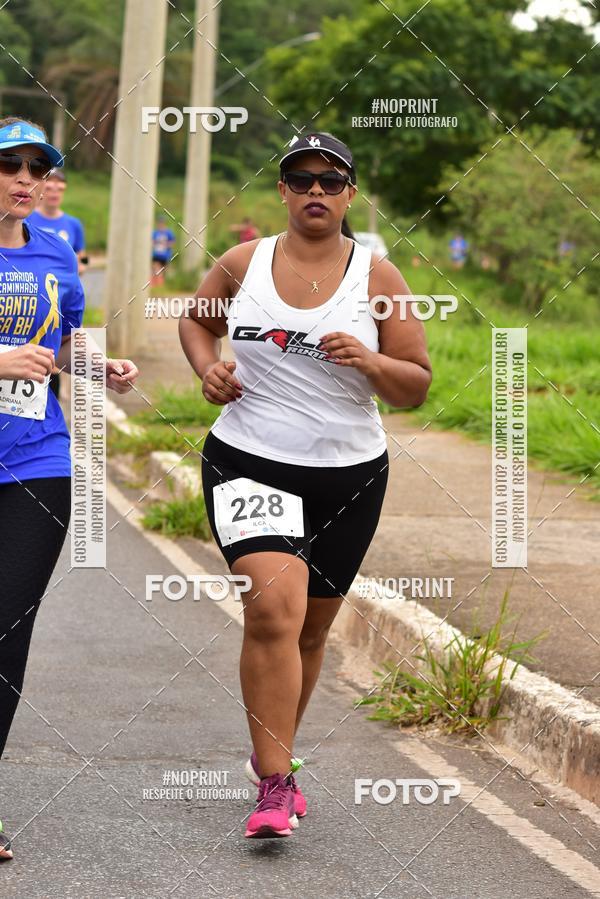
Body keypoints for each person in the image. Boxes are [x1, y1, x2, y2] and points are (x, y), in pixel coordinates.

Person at [179, 131, 432, 839]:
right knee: (271, 611)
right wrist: (209, 370)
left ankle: (277, 755)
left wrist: (371, 364)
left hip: (349, 472)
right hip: (248, 456)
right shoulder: (242, 263)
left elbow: (415, 383)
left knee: (311, 630)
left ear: (350, 194)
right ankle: (274, 783)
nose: (315, 190)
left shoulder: (377, 277)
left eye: (331, 179)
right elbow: (198, 325)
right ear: (283, 192)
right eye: (301, 178)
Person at [0, 116, 139, 861]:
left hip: (37, 458)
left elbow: (65, 344)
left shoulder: (55, 250)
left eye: (36, 168)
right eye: (8, 165)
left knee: (7, 630)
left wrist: (98, 366)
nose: (24, 179)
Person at [26, 167, 88, 399]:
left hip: (58, 297)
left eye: (59, 189)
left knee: (56, 342)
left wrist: (82, 266)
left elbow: (82, 254)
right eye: (49, 187)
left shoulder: (72, 224)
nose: (54, 193)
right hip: (28, 294)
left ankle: (50, 393)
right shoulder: (26, 217)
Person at [151, 216, 176, 286]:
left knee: (162, 271)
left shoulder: (168, 233)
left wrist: (166, 244)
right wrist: (155, 244)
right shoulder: (155, 232)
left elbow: (173, 242)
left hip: (165, 255)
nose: (160, 224)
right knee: (156, 269)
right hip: (156, 254)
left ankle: (160, 285)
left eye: (162, 223)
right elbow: (152, 242)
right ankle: (156, 284)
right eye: (159, 223)